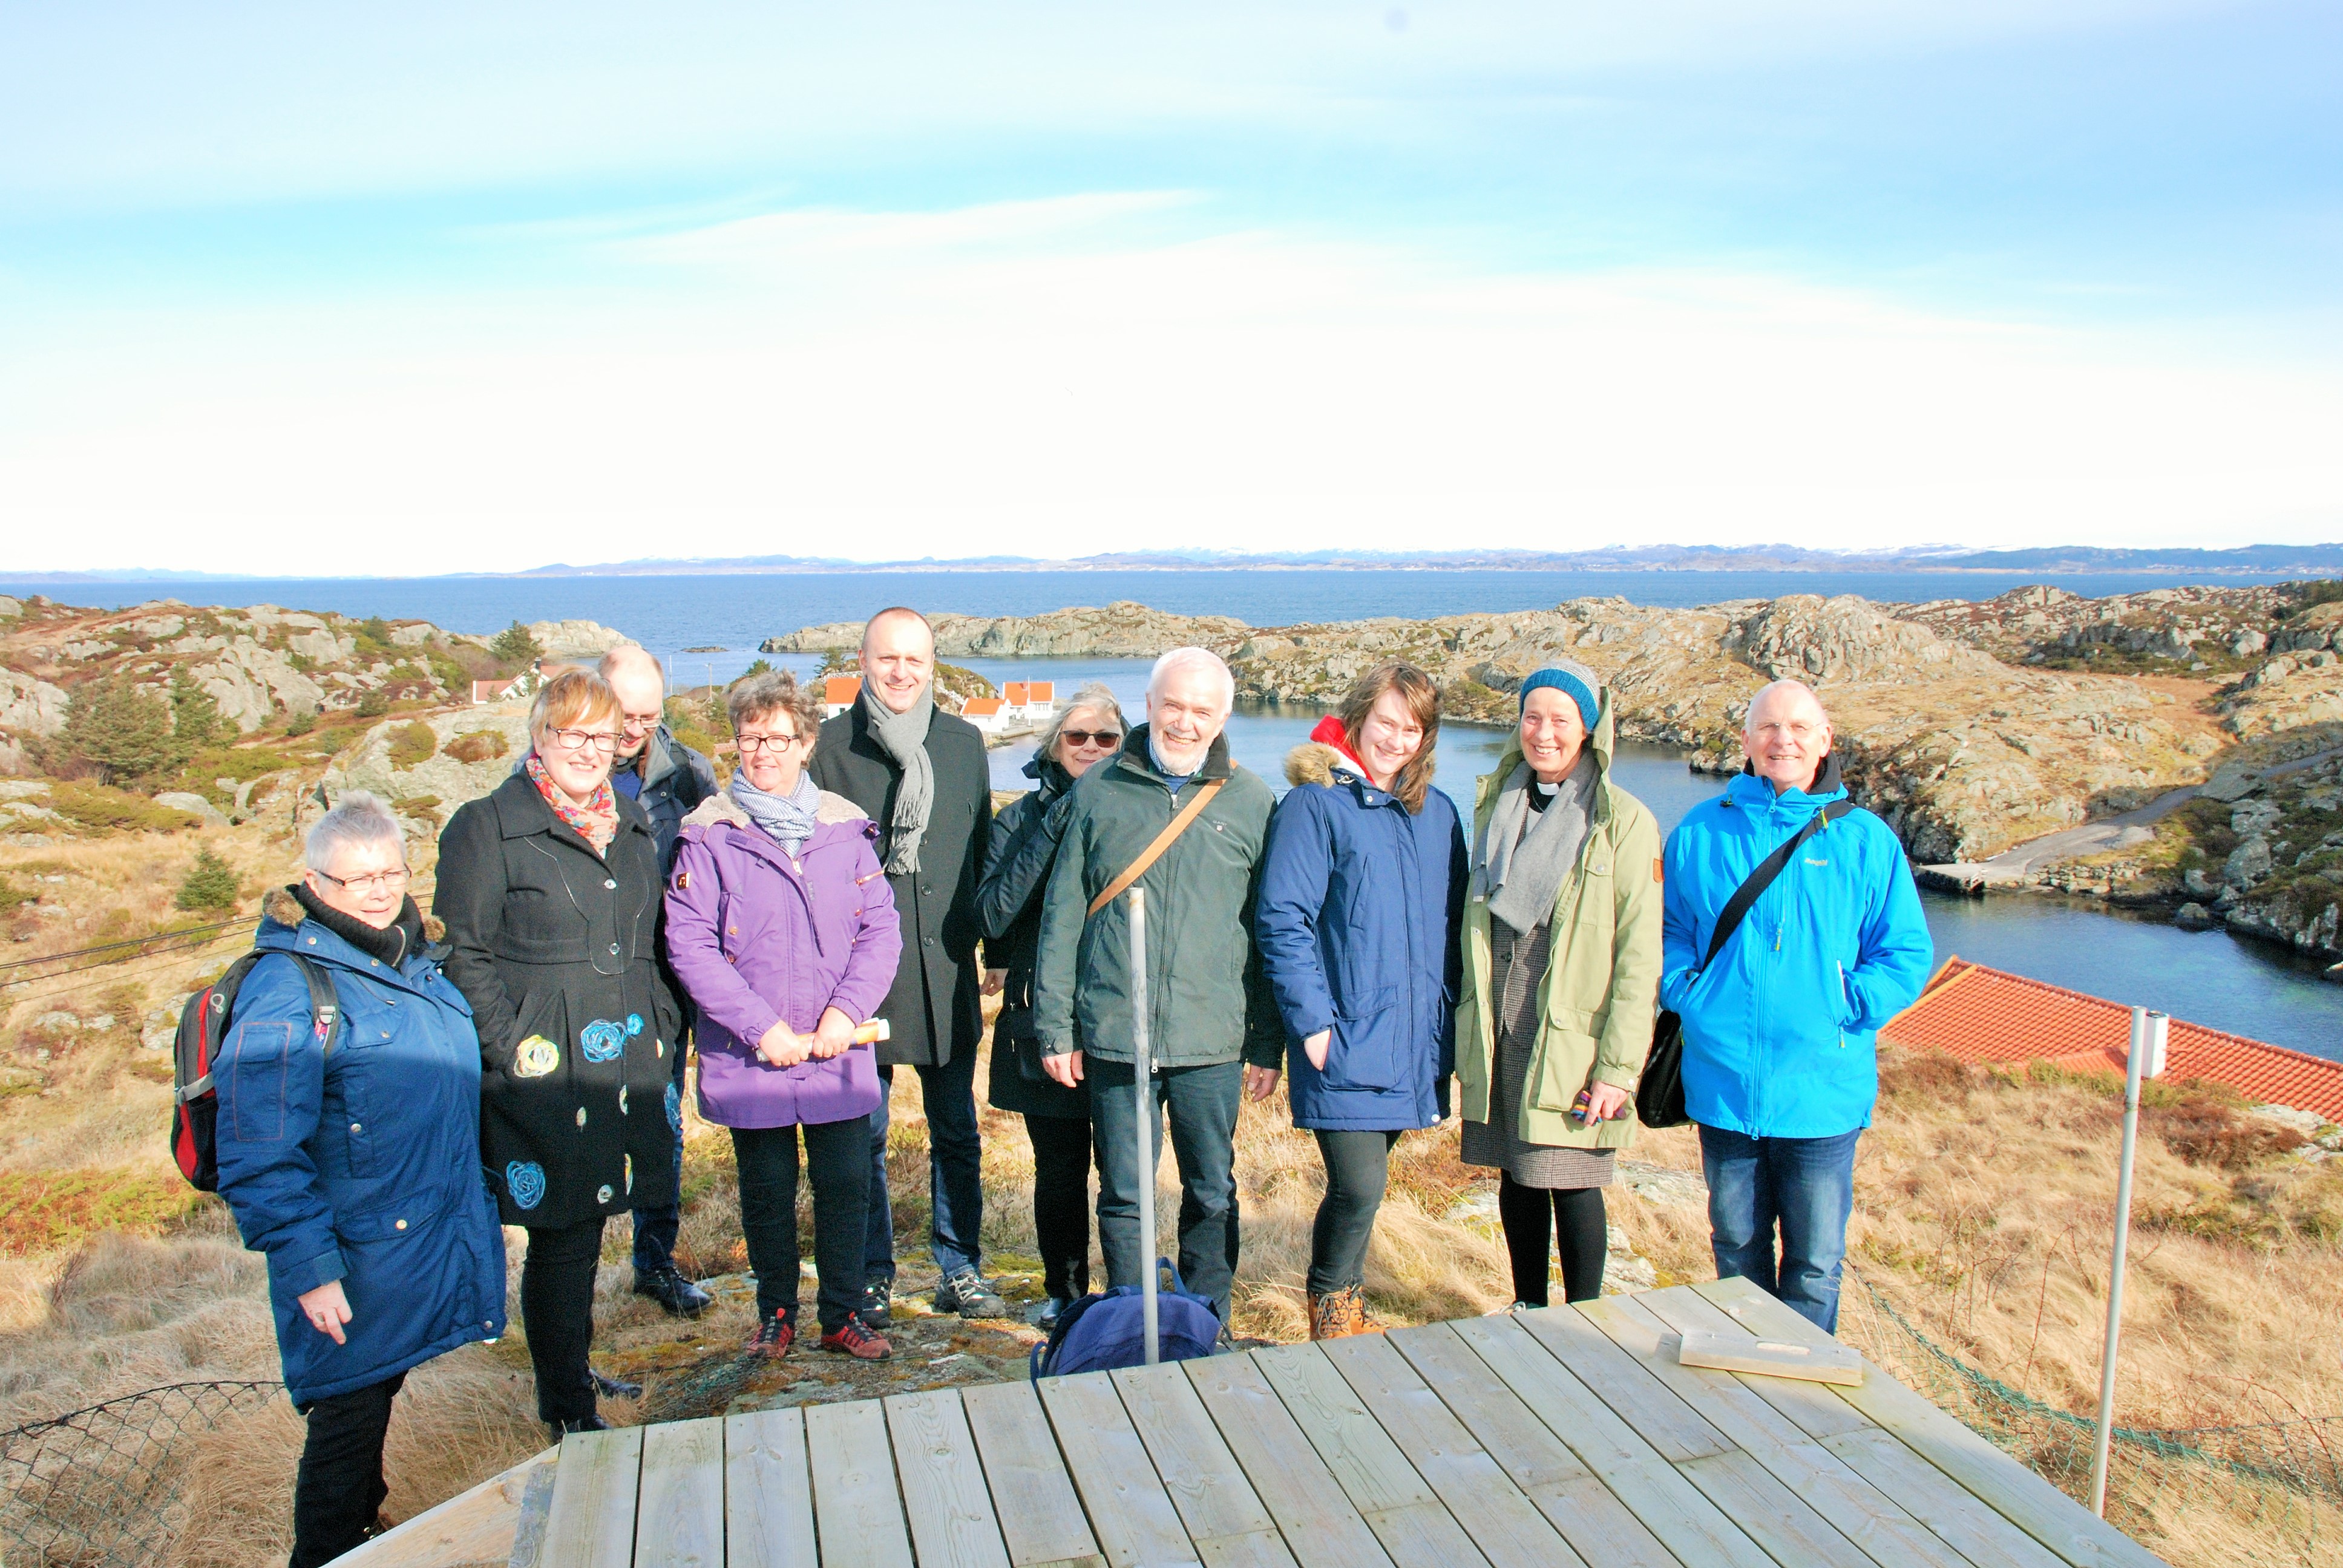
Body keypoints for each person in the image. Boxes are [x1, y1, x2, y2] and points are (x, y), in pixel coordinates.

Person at [212, 794, 506, 1568]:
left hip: (412, 1240)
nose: (379, 893)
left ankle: (365, 1537)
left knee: (373, 1401)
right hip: (351, 1255)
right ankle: (329, 1551)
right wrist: (309, 1269)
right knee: (347, 1420)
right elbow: (259, 1150)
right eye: (357, 879)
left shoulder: (414, 962)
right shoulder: (289, 988)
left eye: (391, 874)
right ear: (314, 884)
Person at [435, 667, 681, 1437]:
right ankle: (566, 1408)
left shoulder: (630, 820)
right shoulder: (487, 825)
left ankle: (573, 1368)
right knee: (562, 1234)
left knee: (596, 1220)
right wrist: (509, 1047)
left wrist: (665, 1021)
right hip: (544, 1069)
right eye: (569, 732)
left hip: (625, 1062)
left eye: (601, 736)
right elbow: (462, 952)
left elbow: (650, 939)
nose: (587, 749)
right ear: (538, 735)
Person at [1660, 678, 1933, 1331]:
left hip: (1821, 1095)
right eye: (1768, 727)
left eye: (1798, 728)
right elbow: (1667, 930)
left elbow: (1903, 952)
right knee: (1735, 1248)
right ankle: (1746, 1378)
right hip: (1725, 1088)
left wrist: (1847, 1003)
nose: (1782, 740)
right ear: (1747, 740)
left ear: (1824, 741)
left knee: (1813, 1264)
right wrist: (1689, 994)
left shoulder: (1865, 840)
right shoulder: (1701, 831)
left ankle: (1804, 1388)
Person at [1032, 647, 1280, 1328]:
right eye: (1172, 705)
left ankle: (1206, 1325)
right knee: (1125, 1193)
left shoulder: (1253, 801)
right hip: (1116, 1031)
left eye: (1201, 710)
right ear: (1149, 705)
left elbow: (1268, 933)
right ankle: (1132, 1326)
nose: (1184, 722)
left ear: (1222, 718)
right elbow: (1062, 915)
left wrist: (1266, 1042)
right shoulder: (1099, 788)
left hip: (1211, 1038)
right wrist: (1055, 1028)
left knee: (1212, 1191)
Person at [664, 671, 902, 1360]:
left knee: (845, 1186)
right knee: (766, 1191)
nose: (762, 752)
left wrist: (846, 1013)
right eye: (750, 739)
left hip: (836, 1047)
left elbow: (880, 931)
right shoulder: (709, 835)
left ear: (805, 743)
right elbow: (690, 945)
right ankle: (775, 1315)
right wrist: (760, 1028)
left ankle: (842, 1315)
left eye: (777, 738)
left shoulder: (845, 829)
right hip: (753, 1052)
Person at [1253, 664, 1465, 1339]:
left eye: (1412, 729)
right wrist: (1313, 1024)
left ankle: (1343, 1310)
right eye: (1386, 723)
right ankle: (1333, 1319)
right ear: (1356, 719)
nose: (1396, 740)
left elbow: (1452, 928)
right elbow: (1282, 918)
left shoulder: (1437, 813)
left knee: (1366, 1188)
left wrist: (1451, 1025)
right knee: (1359, 1187)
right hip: (1344, 1034)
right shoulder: (1314, 806)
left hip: (1414, 1039)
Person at [807, 608, 1006, 1322]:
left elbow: (980, 851)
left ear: (931, 665)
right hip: (858, 977)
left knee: (956, 1130)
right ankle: (871, 1274)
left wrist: (994, 953)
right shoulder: (829, 748)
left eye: (913, 660)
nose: (900, 672)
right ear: (862, 660)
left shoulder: (962, 743)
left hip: (944, 969)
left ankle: (960, 1267)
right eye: (886, 658)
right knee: (863, 1135)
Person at [1456, 661, 1664, 1307]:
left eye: (1560, 720)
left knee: (1572, 1181)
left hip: (1574, 1037)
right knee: (1517, 1176)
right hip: (1501, 1027)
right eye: (1532, 716)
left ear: (1589, 729)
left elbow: (1638, 957)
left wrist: (1617, 1070)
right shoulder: (1499, 803)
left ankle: (1585, 1321)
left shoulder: (1623, 821)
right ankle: (1528, 1309)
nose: (1542, 733)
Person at [975, 682, 1125, 1331]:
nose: (1090, 747)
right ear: (1053, 745)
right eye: (1077, 736)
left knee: (1122, 1169)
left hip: (1120, 1015)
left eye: (1105, 738)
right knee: (1059, 1168)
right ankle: (1063, 1292)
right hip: (1043, 1018)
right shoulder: (1018, 819)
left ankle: (1124, 1294)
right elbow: (991, 914)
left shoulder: (1138, 814)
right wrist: (1053, 826)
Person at [600, 643, 719, 1320]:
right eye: (624, 714)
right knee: (583, 1128)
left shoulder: (689, 775)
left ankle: (654, 1263)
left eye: (648, 716)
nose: (634, 730)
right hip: (583, 981)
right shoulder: (562, 768)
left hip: (664, 982)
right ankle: (571, 1273)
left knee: (662, 1125)